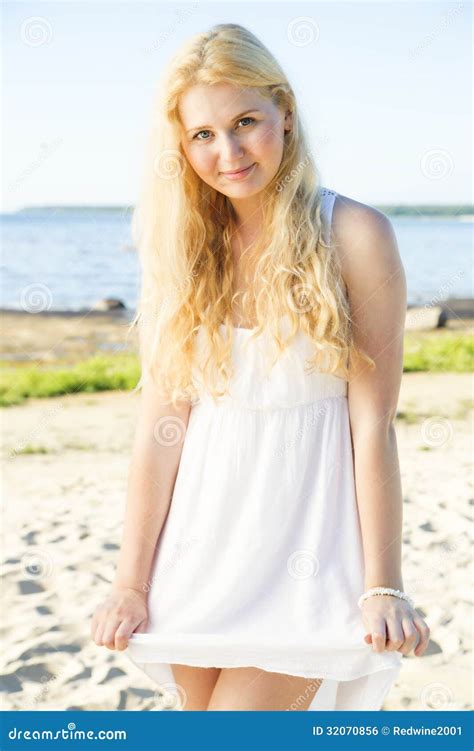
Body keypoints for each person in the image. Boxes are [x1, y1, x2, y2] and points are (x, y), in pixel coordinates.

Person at [91, 22, 430, 711]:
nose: (229, 151)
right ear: (181, 146)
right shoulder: (182, 248)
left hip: (309, 560)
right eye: (204, 135)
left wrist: (383, 584)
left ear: (286, 111)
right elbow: (161, 426)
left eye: (246, 120)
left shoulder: (356, 235)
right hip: (195, 559)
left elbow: (372, 425)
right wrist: (131, 581)